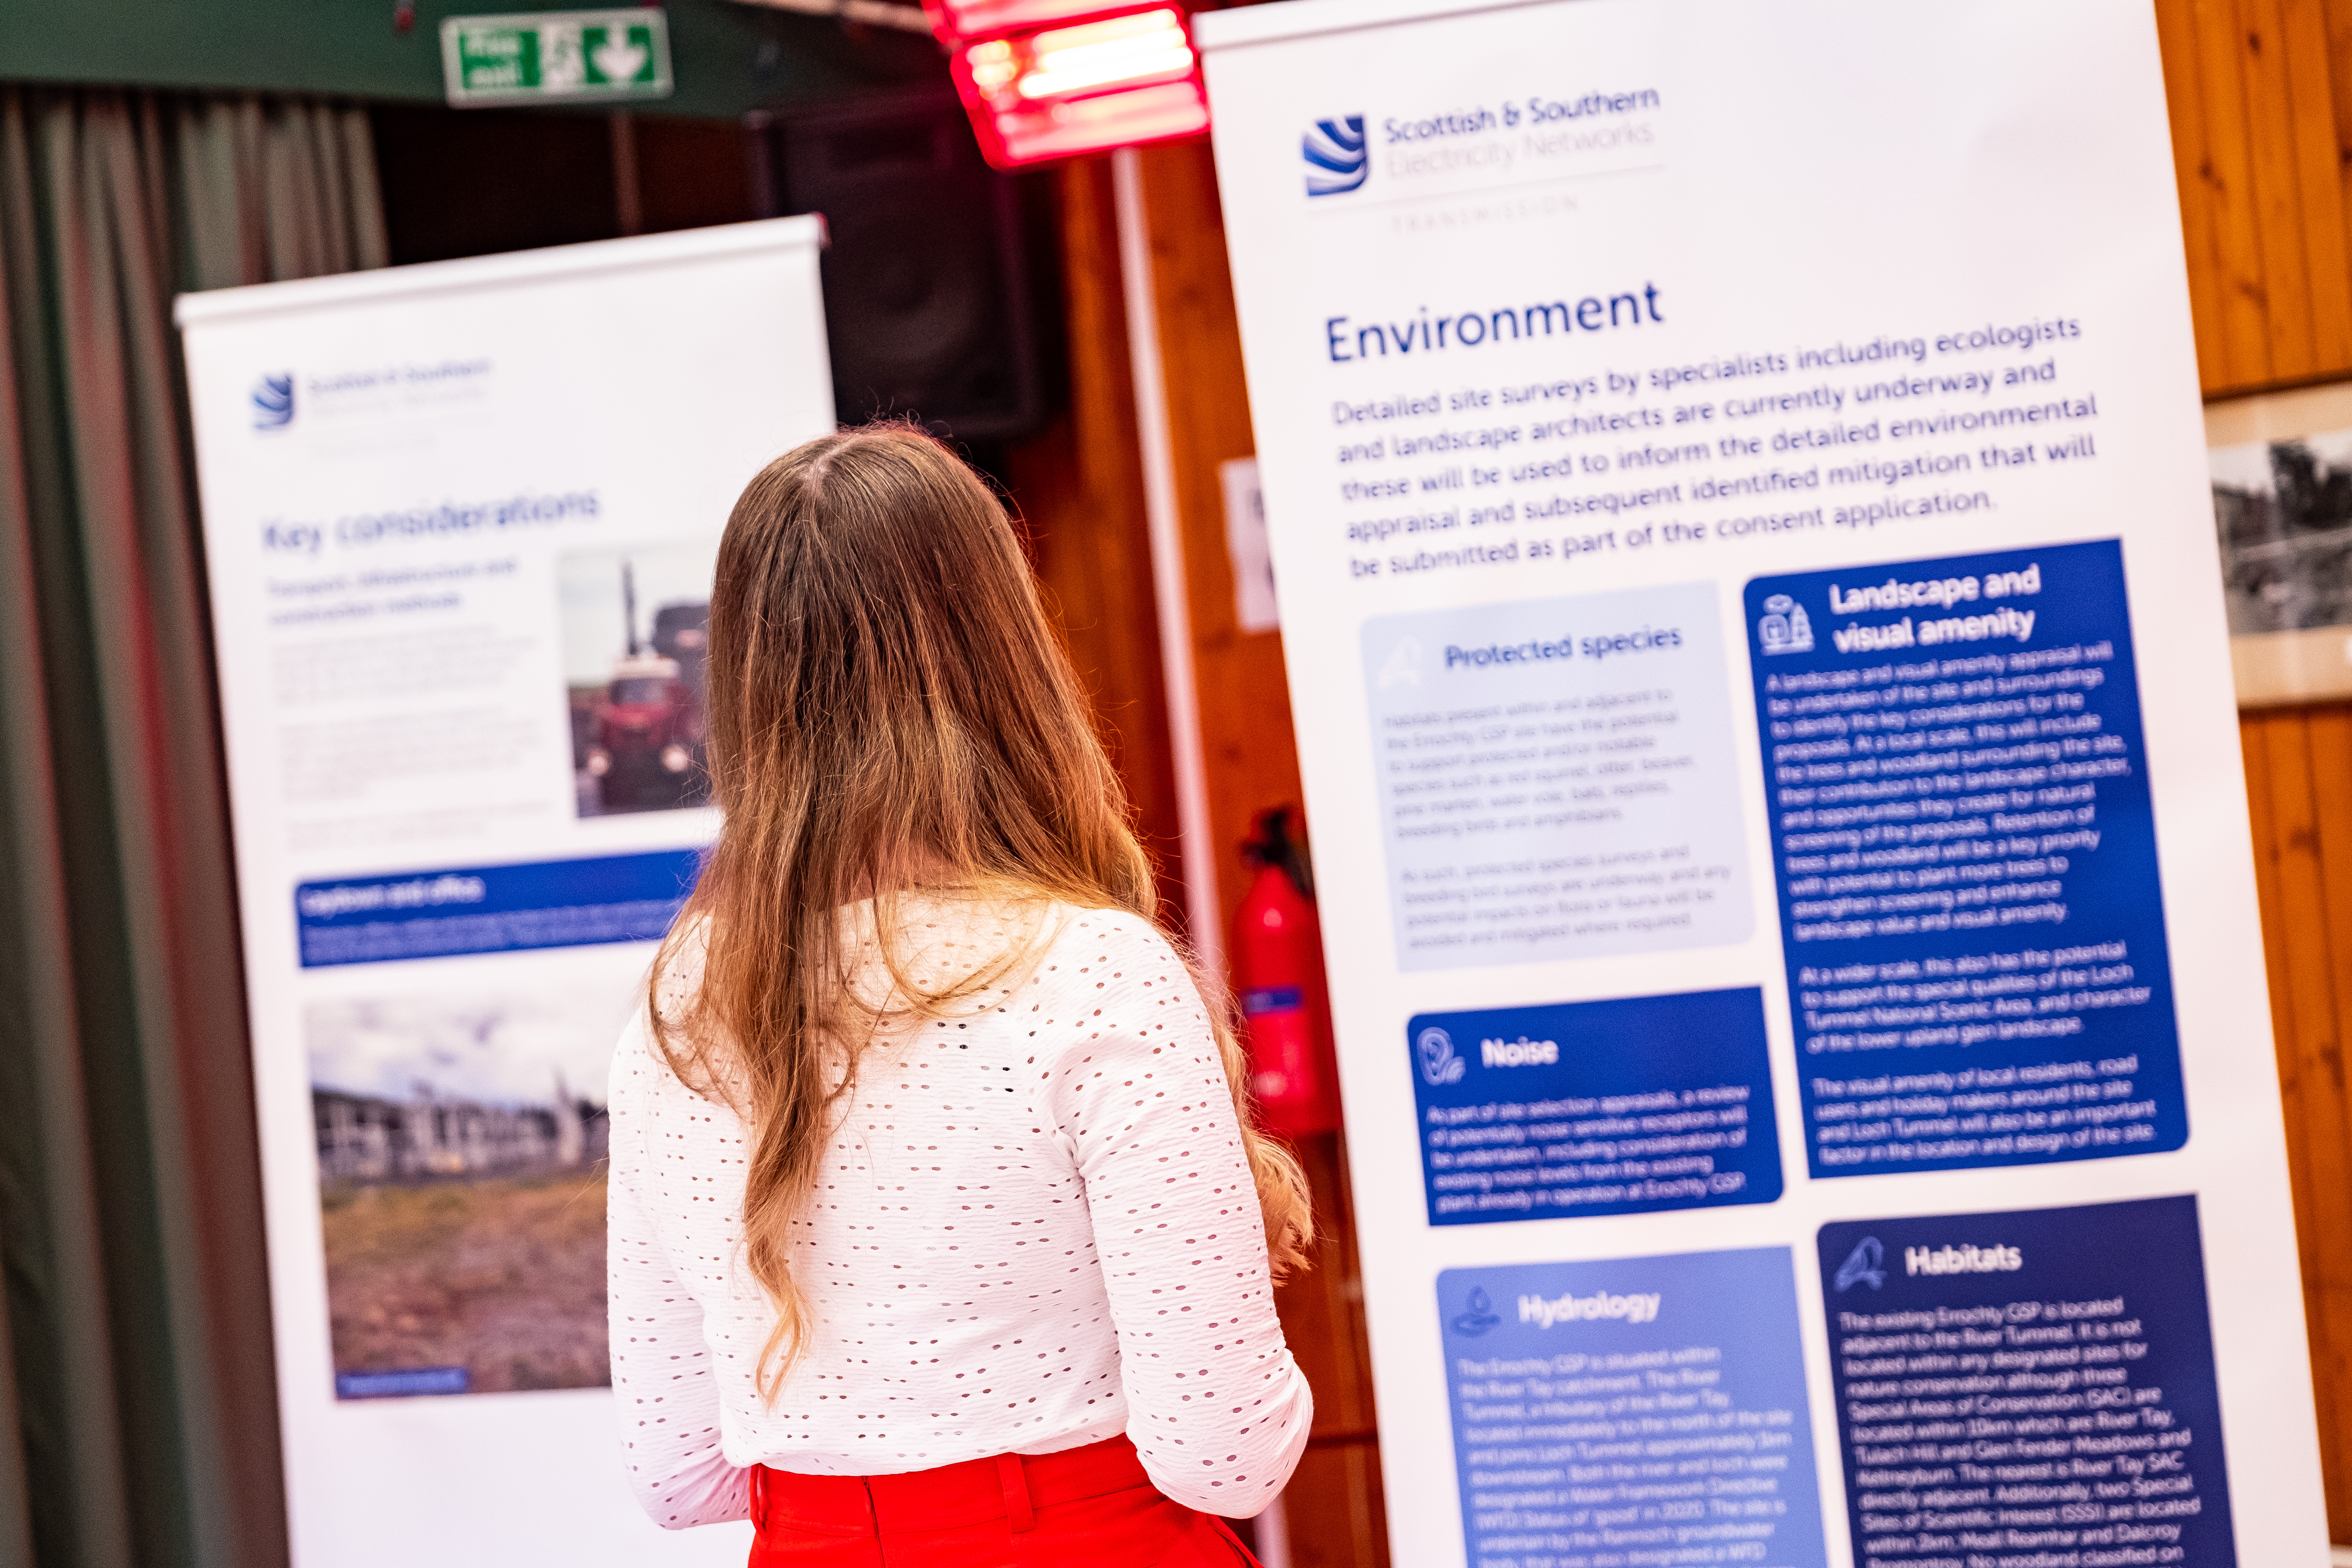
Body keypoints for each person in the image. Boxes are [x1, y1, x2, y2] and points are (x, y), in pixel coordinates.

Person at [604, 424, 1317, 1566]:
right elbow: (1223, 1453)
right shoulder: (1090, 971)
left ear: (740, 682)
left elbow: (676, 1471)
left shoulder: (676, 1006)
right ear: (1003, 653)